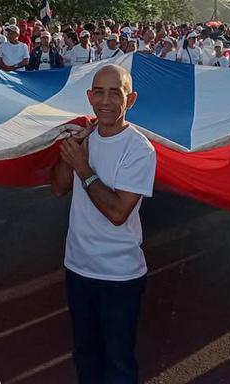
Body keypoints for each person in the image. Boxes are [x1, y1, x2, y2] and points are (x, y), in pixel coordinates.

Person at [49, 65, 156, 384]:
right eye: (99, 92)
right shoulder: (84, 138)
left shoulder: (140, 149)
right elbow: (58, 188)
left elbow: (118, 213)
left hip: (120, 275)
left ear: (130, 99)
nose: (106, 101)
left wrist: (83, 167)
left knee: (118, 361)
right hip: (78, 267)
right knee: (85, 355)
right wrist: (69, 155)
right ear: (89, 96)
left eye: (115, 93)